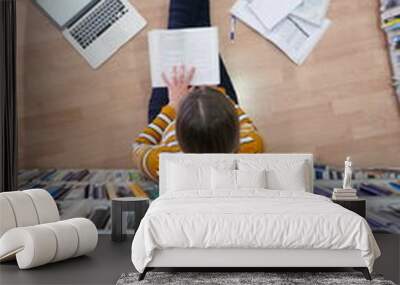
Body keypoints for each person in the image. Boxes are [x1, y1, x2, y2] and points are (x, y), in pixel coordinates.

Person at [132, 0, 264, 181]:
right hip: (210, 102)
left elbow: (139, 146)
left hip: (167, 115)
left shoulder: (162, 162)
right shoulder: (252, 146)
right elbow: (248, 127)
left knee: (178, 36)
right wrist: (216, 95)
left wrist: (171, 106)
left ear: (178, 132)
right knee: (200, 37)